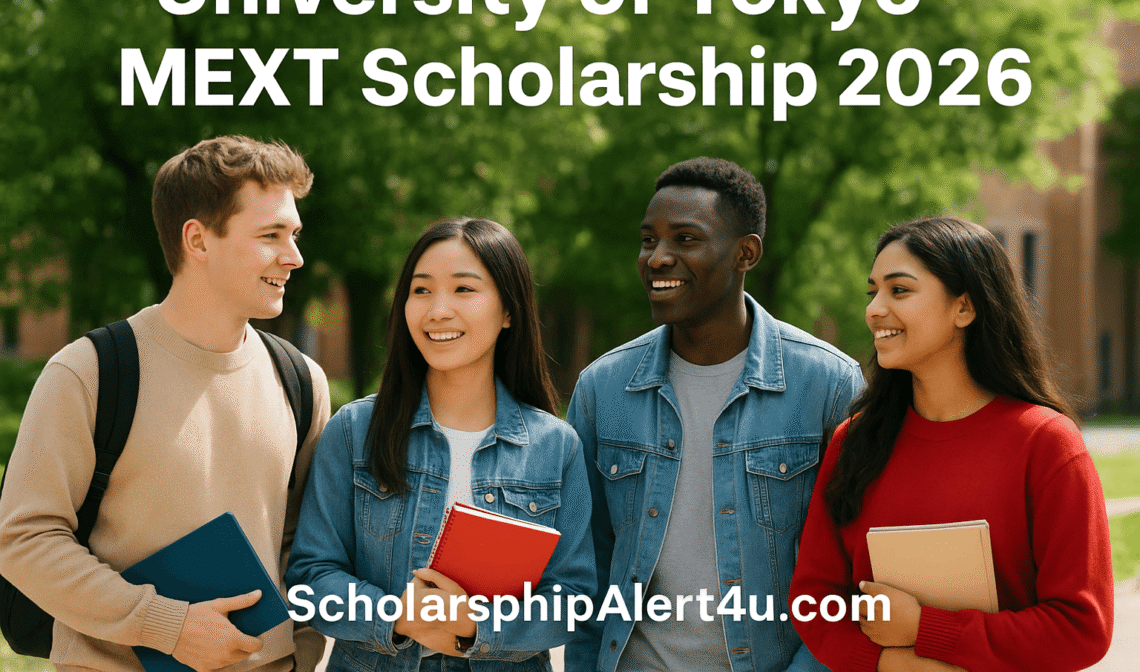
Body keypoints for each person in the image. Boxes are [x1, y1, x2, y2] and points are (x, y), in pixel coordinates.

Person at [0, 135, 332, 672]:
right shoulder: (89, 373)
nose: (293, 257)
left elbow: (312, 547)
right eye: (271, 235)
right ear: (198, 241)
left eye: (293, 234)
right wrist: (168, 627)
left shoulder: (301, 380)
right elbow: (23, 537)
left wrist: (304, 658)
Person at [565, 157, 865, 672]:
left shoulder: (828, 384)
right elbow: (585, 569)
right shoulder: (603, 388)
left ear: (745, 253)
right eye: (648, 240)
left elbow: (855, 571)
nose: (658, 257)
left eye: (685, 239)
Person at [789, 216, 1114, 672]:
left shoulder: (1046, 444)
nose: (874, 309)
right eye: (873, 292)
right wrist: (892, 665)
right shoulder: (855, 441)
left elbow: (1082, 628)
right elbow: (814, 600)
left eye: (899, 290)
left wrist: (925, 629)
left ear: (964, 308)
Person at [285, 217, 595, 671]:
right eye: (422, 290)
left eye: (464, 290)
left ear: (509, 311)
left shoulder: (555, 446)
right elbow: (310, 579)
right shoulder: (355, 431)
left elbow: (574, 598)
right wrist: (396, 616)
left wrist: (479, 627)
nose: (437, 310)